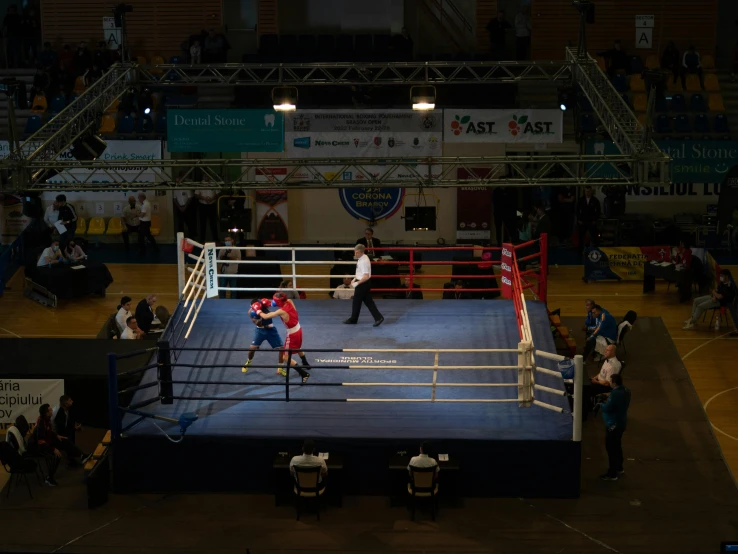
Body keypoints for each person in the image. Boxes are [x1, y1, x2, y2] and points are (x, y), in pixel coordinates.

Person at [257, 292, 311, 383]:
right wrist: (270, 302)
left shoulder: (281, 311)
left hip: (292, 334)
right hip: (299, 329)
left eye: (274, 300)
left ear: (278, 302)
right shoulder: (289, 301)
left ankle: (303, 374)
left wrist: (258, 310)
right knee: (297, 347)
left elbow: (266, 316)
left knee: (285, 357)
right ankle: (306, 363)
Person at [35, 404, 86, 483]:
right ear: (46, 413)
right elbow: (40, 440)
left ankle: (82, 456)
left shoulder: (47, 419)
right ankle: (49, 478)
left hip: (49, 441)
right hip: (43, 446)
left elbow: (49, 431)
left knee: (65, 441)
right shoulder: (41, 422)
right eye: (50, 410)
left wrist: (56, 435)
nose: (52, 410)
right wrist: (53, 449)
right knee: (57, 455)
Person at [597, 373, 631, 481]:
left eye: (611, 381)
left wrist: (601, 404)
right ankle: (619, 467)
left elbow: (607, 408)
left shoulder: (615, 394)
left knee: (611, 448)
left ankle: (612, 473)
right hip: (622, 423)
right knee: (617, 446)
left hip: (613, 424)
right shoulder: (626, 391)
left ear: (614, 383)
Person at [343, 244, 384, 327]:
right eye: (355, 252)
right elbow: (360, 272)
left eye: (357, 252)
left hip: (363, 284)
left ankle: (354, 319)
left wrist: (357, 283)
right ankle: (378, 317)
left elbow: (366, 276)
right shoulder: (362, 258)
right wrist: (355, 279)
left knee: (356, 302)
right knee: (368, 302)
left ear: (361, 252)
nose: (355, 254)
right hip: (363, 283)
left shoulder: (363, 261)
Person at [241, 298, 284, 373]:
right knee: (252, 349)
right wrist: (259, 315)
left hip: (271, 329)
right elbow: (257, 323)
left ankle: (280, 368)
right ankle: (249, 361)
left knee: (282, 349)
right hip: (260, 330)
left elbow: (271, 311)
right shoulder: (251, 312)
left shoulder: (264, 306)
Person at [577, 186, 601, 255]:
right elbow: (577, 211)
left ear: (591, 192)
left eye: (589, 191)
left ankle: (595, 251)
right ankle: (580, 251)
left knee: (594, 237)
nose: (587, 193)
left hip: (591, 222)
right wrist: (579, 220)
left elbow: (598, 212)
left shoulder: (595, 201)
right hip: (582, 222)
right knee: (581, 237)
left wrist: (595, 220)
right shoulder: (581, 200)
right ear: (584, 192)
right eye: (586, 191)